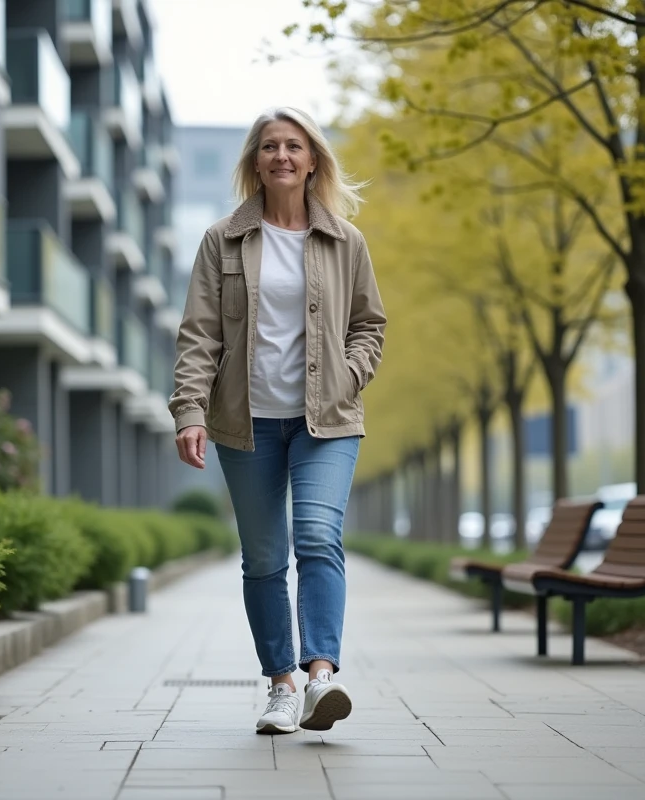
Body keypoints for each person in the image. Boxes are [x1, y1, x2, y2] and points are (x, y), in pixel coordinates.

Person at [168, 107, 387, 735]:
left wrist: (349, 373)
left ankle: (321, 678)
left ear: (313, 159)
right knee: (264, 557)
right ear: (255, 162)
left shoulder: (346, 241)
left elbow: (370, 324)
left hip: (327, 421)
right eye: (270, 147)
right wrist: (190, 410)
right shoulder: (223, 240)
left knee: (317, 538)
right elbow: (198, 336)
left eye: (294, 146)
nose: (282, 156)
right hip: (247, 424)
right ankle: (281, 686)